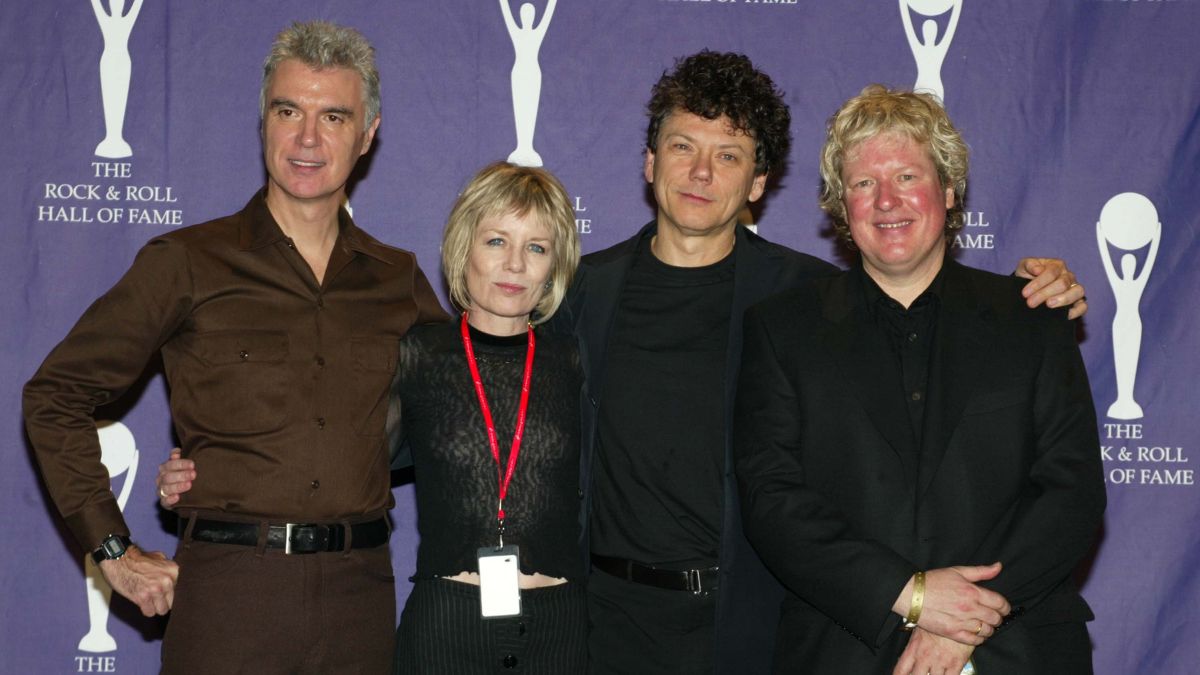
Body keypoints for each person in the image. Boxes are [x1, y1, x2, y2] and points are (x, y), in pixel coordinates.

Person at [552, 51, 1090, 675]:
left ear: (757, 183)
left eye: (728, 155)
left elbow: (1070, 487)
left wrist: (1039, 293)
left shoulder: (800, 294)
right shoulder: (579, 293)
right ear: (650, 162)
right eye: (682, 147)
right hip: (618, 623)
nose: (701, 172)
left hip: (764, 625)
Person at [23, 21, 446, 673]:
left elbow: (462, 412)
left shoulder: (398, 279)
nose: (308, 138)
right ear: (264, 122)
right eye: (288, 111)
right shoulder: (187, 261)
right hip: (229, 597)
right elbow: (55, 395)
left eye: (333, 116)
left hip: (359, 601)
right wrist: (113, 549)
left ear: (367, 135)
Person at [734, 85, 1105, 674]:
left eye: (907, 176)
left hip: (1020, 648)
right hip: (846, 652)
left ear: (949, 191)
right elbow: (772, 500)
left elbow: (1072, 490)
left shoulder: (1033, 318)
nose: (887, 200)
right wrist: (913, 597)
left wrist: (968, 620)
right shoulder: (783, 330)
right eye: (864, 183)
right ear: (841, 205)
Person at [388, 161, 585, 673]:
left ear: (554, 267)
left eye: (536, 248)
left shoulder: (574, 360)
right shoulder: (417, 355)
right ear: (464, 249)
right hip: (445, 629)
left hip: (559, 632)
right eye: (497, 241)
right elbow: (339, 458)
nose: (514, 264)